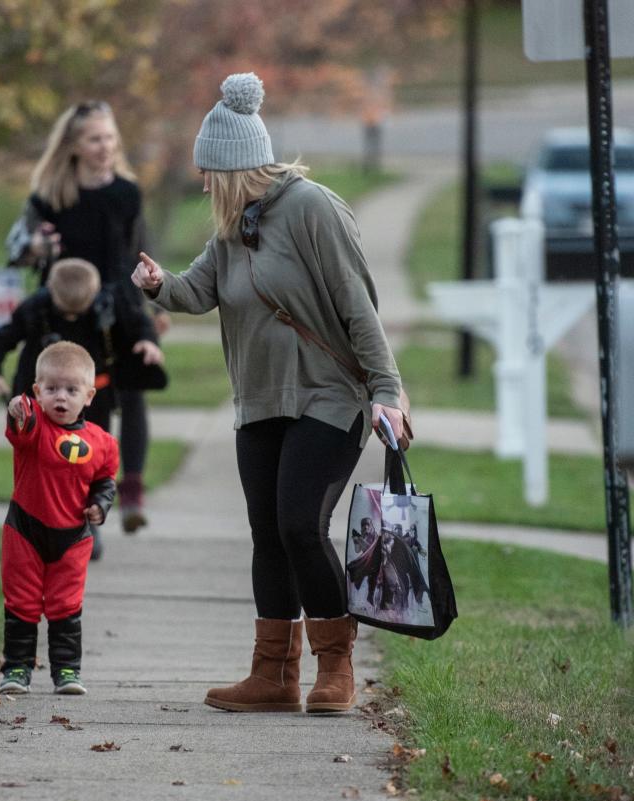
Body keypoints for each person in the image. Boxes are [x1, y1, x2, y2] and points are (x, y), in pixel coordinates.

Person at [131, 73, 407, 714]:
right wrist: (156, 284)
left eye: (208, 171)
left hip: (328, 398)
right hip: (260, 402)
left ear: (232, 167)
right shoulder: (234, 227)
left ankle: (335, 669)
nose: (201, 183)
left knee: (300, 526)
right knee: (266, 534)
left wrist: (388, 388)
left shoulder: (312, 208)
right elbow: (199, 291)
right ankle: (273, 677)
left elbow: (357, 306)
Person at [7, 100, 163, 534]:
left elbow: (139, 250)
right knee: (70, 407)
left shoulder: (127, 193)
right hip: (66, 312)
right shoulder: (51, 195)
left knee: (131, 392)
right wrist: (35, 249)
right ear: (74, 145)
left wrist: (152, 308)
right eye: (95, 139)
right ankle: (76, 515)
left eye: (110, 138)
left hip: (120, 308)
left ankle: (130, 489)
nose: (105, 146)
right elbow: (18, 247)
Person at [0, 341, 119, 696]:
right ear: (37, 391)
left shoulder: (104, 442)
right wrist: (18, 411)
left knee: (66, 604)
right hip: (25, 530)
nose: (60, 398)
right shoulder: (35, 429)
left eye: (70, 390)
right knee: (22, 601)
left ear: (90, 396)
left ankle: (67, 670)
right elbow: (21, 426)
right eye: (51, 389)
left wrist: (101, 504)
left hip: (73, 538)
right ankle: (16, 669)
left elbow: (105, 480)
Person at [0, 257, 164, 447]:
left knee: (94, 448)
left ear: (96, 291)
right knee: (40, 449)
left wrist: (148, 342)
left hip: (93, 395)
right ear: (50, 288)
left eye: (79, 310)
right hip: (40, 394)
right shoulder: (35, 308)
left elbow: (139, 323)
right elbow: (1, 339)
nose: (71, 317)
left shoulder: (110, 304)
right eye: (65, 310)